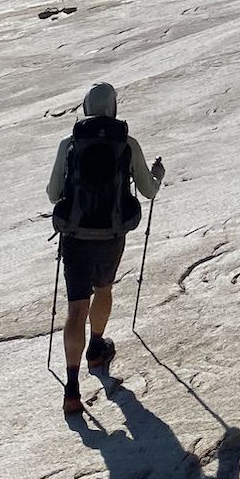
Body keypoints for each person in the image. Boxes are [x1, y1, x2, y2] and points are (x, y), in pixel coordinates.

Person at [47, 81, 164, 413]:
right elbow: (148, 191)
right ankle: (97, 349)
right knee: (104, 289)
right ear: (113, 108)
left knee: (75, 310)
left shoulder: (70, 144)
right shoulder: (126, 143)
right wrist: (157, 175)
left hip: (75, 237)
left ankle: (72, 388)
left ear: (86, 107)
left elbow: (53, 194)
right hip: (110, 236)